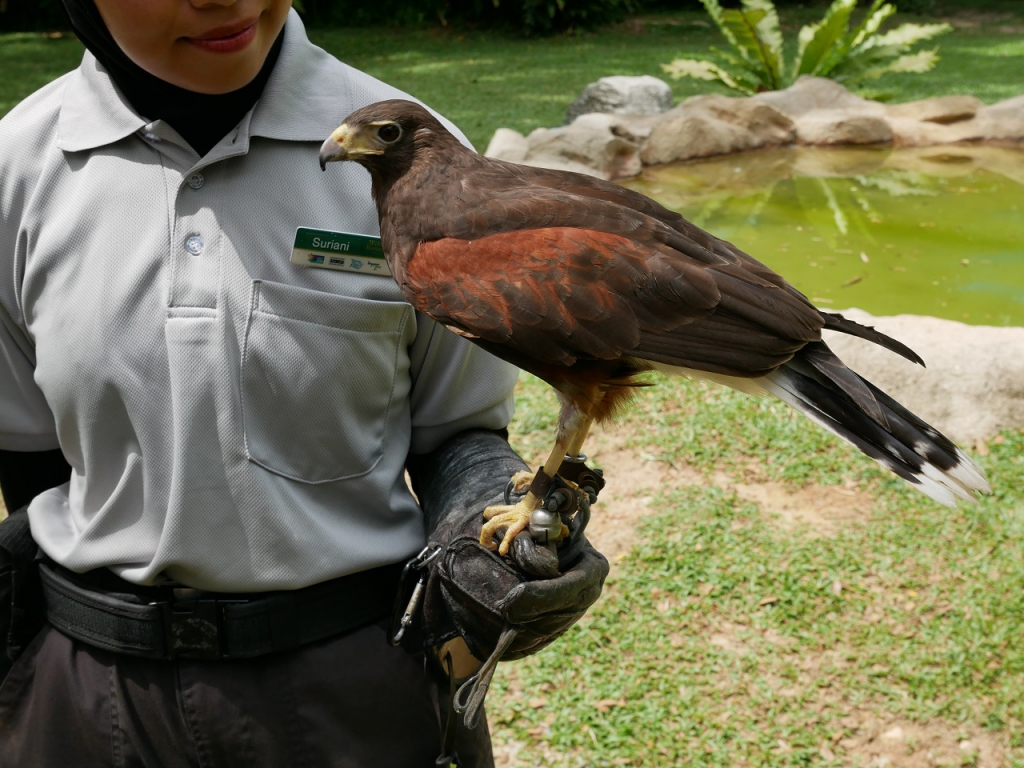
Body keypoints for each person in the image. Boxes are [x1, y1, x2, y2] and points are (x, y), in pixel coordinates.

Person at [0, 1, 607, 765]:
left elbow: (459, 431)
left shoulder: (417, 155)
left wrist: (480, 525)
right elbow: (30, 457)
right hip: (87, 695)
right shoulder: (15, 167)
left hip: (353, 684)